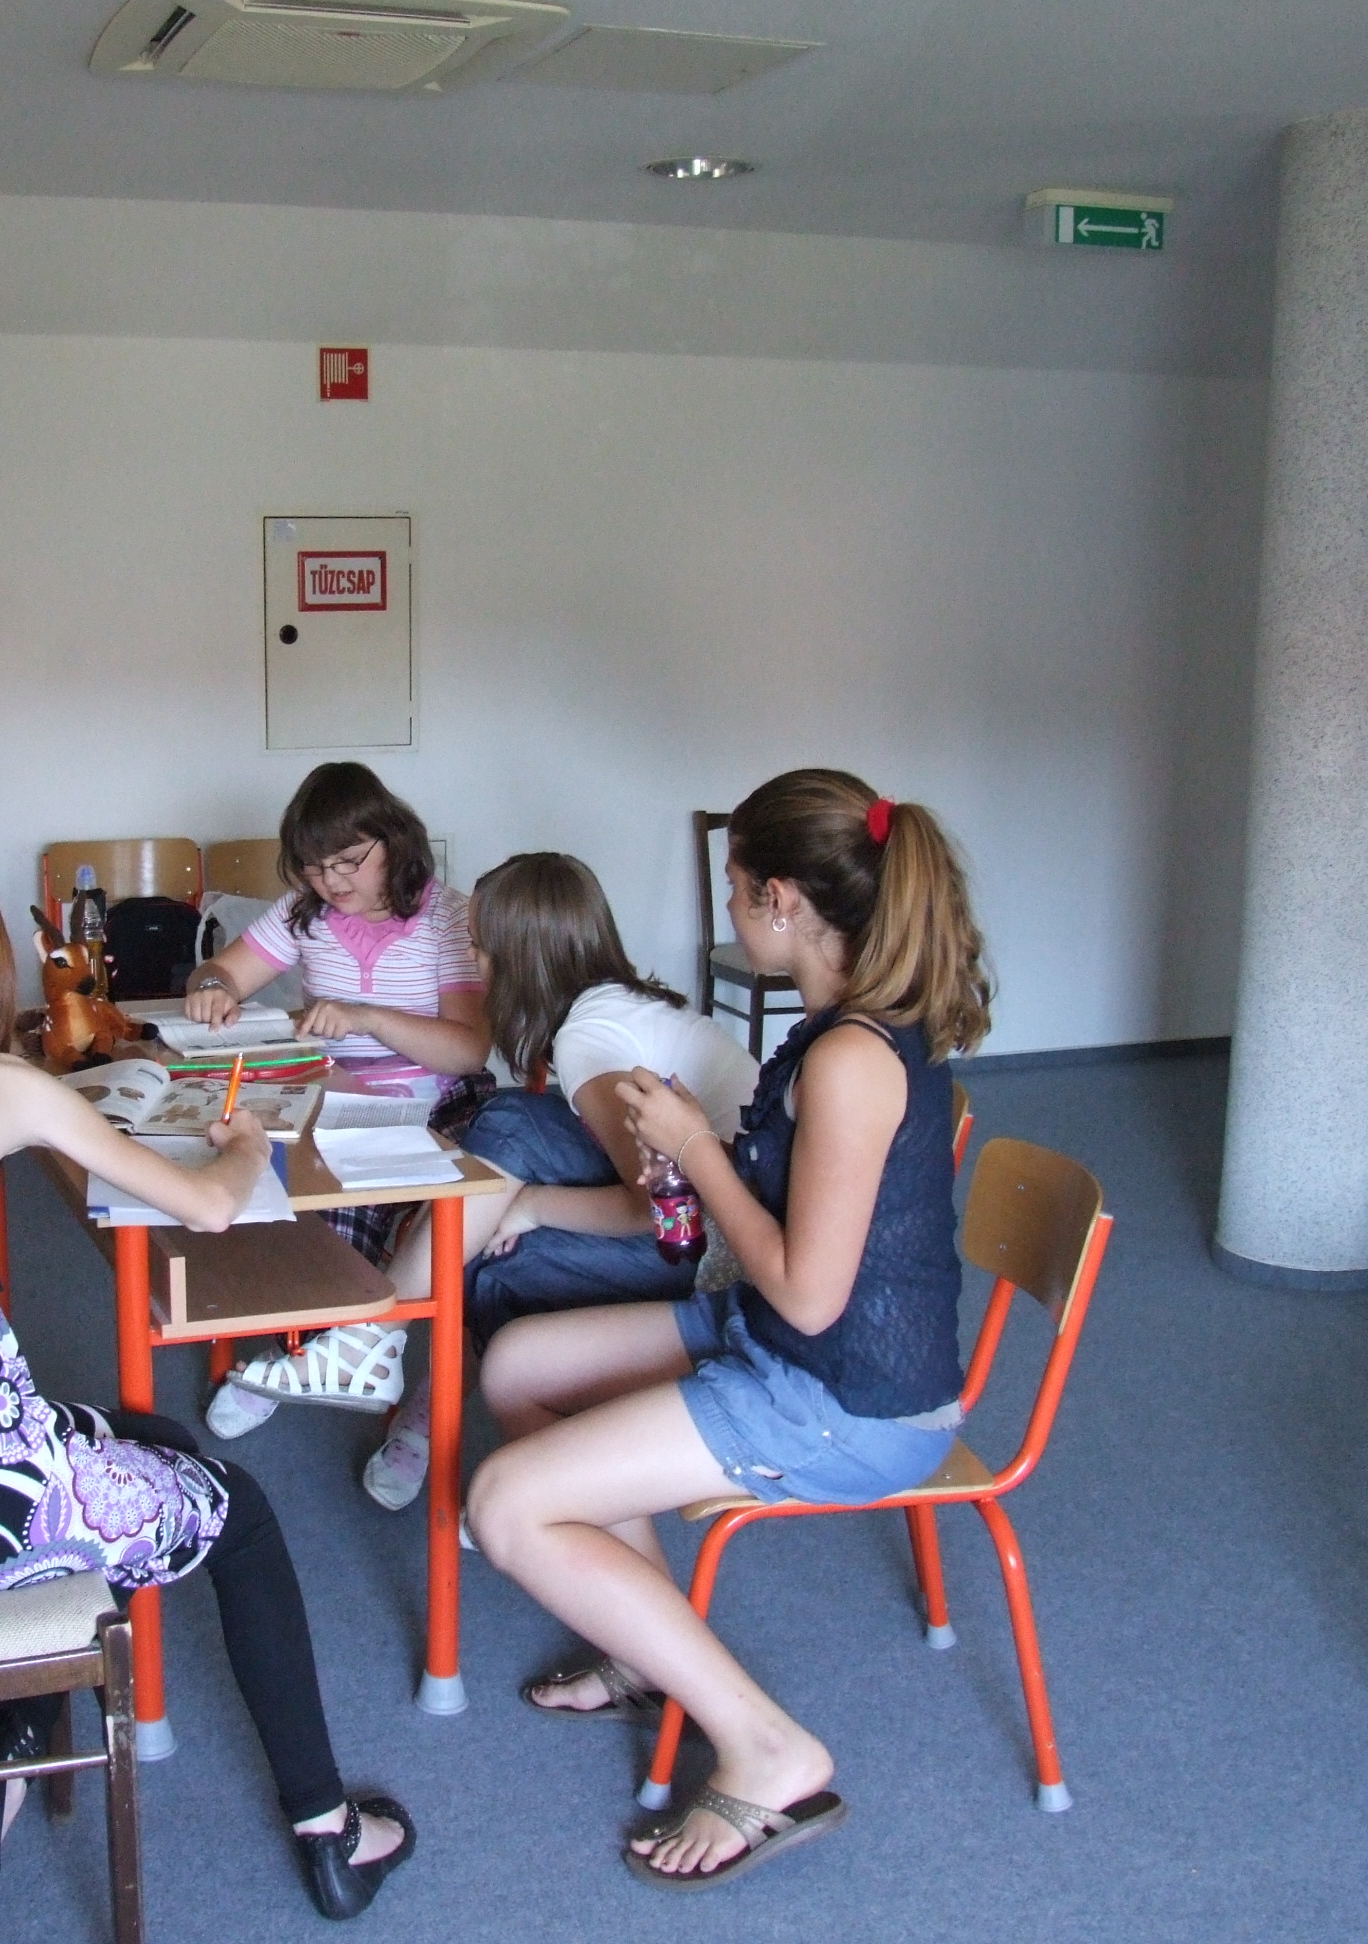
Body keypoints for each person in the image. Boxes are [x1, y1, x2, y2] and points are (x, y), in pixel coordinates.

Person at [0, 835, 413, 1920]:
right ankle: (328, 1828)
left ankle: (13, 1742)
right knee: (243, 1517)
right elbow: (207, 1206)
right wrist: (247, 1146)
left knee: (151, 1437)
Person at [466, 770, 989, 1891]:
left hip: (847, 1398)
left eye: (740, 887)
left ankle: (766, 1746)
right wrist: (691, 1162)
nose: (736, 910)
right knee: (518, 1362)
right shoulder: (830, 1032)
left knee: (503, 1505)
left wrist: (697, 1149)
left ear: (782, 901)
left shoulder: (850, 1059)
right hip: (788, 1343)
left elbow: (808, 1294)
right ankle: (642, 1643)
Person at [354, 852, 759, 1511]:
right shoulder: (616, 1006)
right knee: (499, 1157)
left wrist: (535, 1205)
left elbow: (656, 1210)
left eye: (481, 949)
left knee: (497, 1233)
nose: (475, 965)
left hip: (716, 1253)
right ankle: (388, 1355)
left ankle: (390, 1354)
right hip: (712, 1213)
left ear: (521, 961)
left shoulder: (588, 1039)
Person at [183, 764, 493, 1435]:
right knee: (262, 1183)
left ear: (394, 839)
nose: (332, 881)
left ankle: (359, 1377)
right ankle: (304, 1349)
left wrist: (369, 1017)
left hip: (435, 1099)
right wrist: (211, 987)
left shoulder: (448, 916)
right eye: (314, 866)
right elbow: (225, 970)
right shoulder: (305, 911)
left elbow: (469, 1049)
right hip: (332, 1095)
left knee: (350, 1197)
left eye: (349, 860)